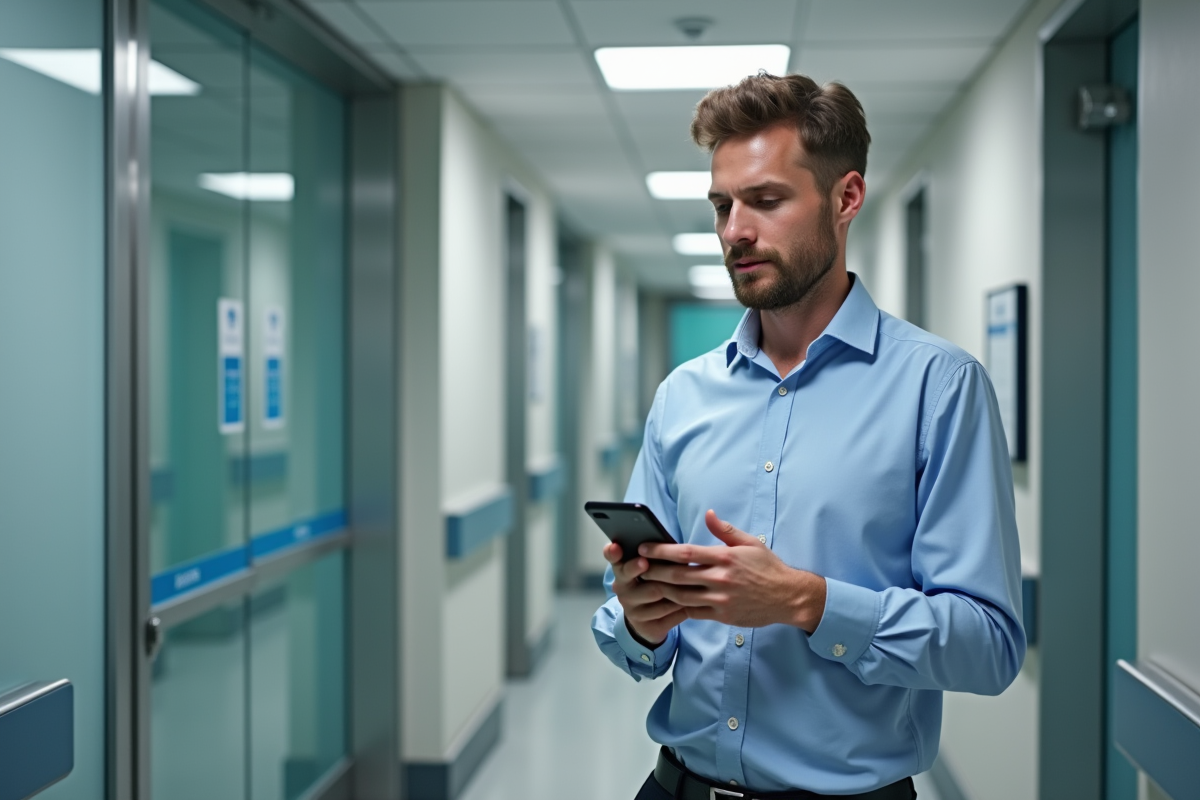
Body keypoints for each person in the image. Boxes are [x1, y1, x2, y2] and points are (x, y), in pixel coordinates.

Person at [591, 73, 1025, 800]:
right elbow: (629, 632)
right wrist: (640, 619)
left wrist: (809, 603)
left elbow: (989, 645)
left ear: (845, 197)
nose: (735, 229)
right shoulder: (683, 397)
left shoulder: (938, 389)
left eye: (765, 201)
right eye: (723, 206)